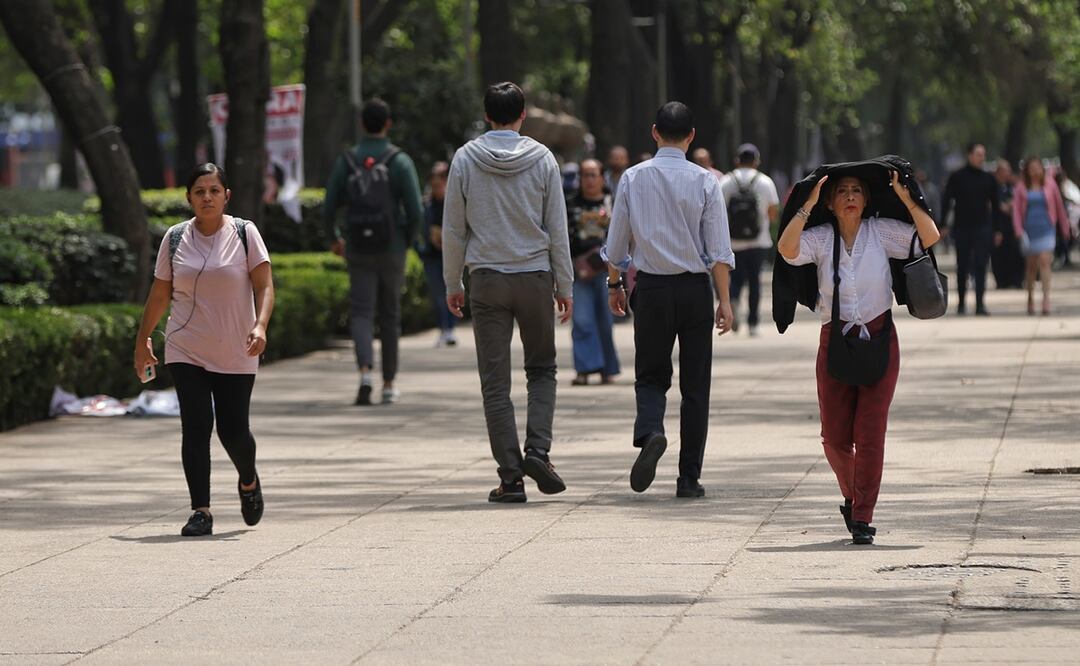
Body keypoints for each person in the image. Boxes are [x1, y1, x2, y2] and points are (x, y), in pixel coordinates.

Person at [777, 170, 940, 544]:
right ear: (831, 204)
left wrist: (906, 197)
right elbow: (787, 250)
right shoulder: (819, 239)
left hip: (880, 338)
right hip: (835, 340)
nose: (850, 196)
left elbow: (929, 237)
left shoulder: (881, 232)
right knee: (834, 439)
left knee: (870, 433)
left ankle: (863, 515)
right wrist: (806, 205)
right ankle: (853, 494)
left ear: (866, 200)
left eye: (856, 191)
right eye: (842, 192)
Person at [442, 82, 574, 503]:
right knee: (542, 369)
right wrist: (565, 284)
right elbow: (558, 227)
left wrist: (452, 282)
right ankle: (539, 450)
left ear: (487, 116)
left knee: (494, 383)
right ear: (523, 117)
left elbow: (453, 229)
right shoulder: (543, 159)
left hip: (486, 278)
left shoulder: (465, 159)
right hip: (534, 275)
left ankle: (511, 478)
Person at [133, 163, 274, 537]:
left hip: (236, 347)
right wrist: (143, 340)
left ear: (226, 196)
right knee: (196, 426)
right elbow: (160, 293)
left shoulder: (245, 233)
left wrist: (260, 324)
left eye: (214, 190)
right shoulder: (175, 238)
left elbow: (264, 286)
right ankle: (201, 511)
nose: (207, 197)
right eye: (199, 191)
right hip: (185, 346)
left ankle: (248, 480)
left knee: (233, 431)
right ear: (189, 198)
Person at [604, 101, 735, 499]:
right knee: (696, 386)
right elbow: (719, 250)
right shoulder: (706, 182)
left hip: (654, 289)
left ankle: (651, 431)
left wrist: (615, 285)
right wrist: (725, 301)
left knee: (650, 374)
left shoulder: (631, 178)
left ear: (654, 132)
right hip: (695, 290)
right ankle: (688, 477)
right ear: (692, 136)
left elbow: (615, 244)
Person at [323, 98, 423, 405]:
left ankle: (365, 373)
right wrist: (406, 240)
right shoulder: (399, 161)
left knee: (362, 312)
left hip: (358, 248)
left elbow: (329, 206)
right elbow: (416, 209)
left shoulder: (348, 161)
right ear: (388, 123)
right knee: (390, 315)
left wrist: (336, 238)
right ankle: (389, 382)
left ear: (363, 124)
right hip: (391, 248)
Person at [566, 158, 620, 385]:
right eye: (584, 175)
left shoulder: (613, 203)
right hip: (579, 272)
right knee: (581, 320)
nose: (589, 180)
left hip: (606, 271)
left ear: (601, 177)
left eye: (593, 174)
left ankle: (607, 368)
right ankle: (585, 368)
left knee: (605, 322)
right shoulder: (570, 206)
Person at [720, 143, 780, 336]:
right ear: (756, 161)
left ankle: (735, 300)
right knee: (755, 282)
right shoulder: (765, 181)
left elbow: (718, 212)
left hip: (733, 242)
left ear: (737, 160)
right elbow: (772, 212)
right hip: (758, 240)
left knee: (736, 279)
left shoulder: (726, 181)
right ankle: (753, 323)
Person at [941, 143, 998, 315]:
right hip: (962, 227)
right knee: (962, 266)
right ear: (970, 155)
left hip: (983, 227)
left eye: (983, 154)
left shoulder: (988, 178)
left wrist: (997, 229)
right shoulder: (957, 177)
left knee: (981, 265)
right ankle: (961, 303)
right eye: (978, 154)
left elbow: (995, 205)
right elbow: (947, 200)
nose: (981, 157)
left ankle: (980, 303)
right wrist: (943, 224)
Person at [1012, 157, 1071, 315]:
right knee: (1031, 267)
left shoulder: (1050, 184)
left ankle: (1046, 298)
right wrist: (1018, 230)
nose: (1035, 171)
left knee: (1045, 262)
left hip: (1047, 229)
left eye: (1037, 167)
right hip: (1029, 230)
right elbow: (1016, 211)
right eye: (1032, 168)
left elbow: (1059, 207)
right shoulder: (1021, 187)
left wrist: (1065, 228)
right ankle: (1030, 297)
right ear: (1027, 170)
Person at [419, 161, 457, 347]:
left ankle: (450, 329)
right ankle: (444, 329)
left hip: (450, 256)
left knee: (452, 291)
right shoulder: (426, 205)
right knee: (438, 296)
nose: (438, 183)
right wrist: (421, 248)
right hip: (432, 257)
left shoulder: (454, 203)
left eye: (442, 178)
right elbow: (419, 230)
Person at [990, 159, 1024, 289]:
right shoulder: (993, 187)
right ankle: (1001, 281)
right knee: (999, 255)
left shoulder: (1013, 187)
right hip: (998, 225)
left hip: (1012, 226)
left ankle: (1017, 280)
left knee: (1015, 253)